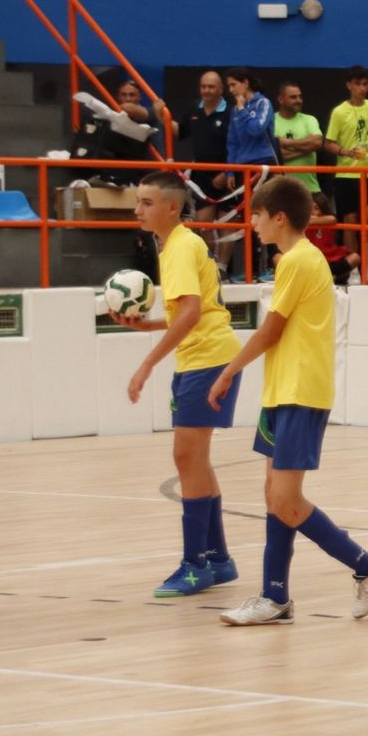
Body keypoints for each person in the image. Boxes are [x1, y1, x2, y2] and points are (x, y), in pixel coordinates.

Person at [207, 176, 368, 626]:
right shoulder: (297, 259)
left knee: (287, 501)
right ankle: (275, 597)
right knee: (275, 496)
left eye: (256, 215)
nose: (251, 224)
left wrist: (229, 371)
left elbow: (270, 330)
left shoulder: (298, 260)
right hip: (283, 391)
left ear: (279, 217)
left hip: (301, 392)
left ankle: (367, 565)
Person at [113, 171, 243, 596]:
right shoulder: (178, 244)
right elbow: (190, 311)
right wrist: (147, 325)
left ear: (172, 207)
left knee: (187, 458)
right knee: (195, 460)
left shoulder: (181, 247)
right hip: (204, 357)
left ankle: (194, 566)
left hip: (207, 359)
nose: (138, 209)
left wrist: (146, 365)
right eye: (137, 201)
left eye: (146, 202)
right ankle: (218, 560)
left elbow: (190, 313)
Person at [165, 70, 237, 272]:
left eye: (211, 87)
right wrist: (162, 115)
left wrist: (227, 172)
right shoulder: (194, 109)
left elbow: (239, 145)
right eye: (203, 86)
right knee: (203, 223)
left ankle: (222, 268)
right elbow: (181, 131)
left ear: (221, 89)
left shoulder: (232, 112)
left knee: (228, 223)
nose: (207, 90)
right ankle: (209, 267)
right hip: (201, 176)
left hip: (228, 175)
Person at [325, 66, 368, 261]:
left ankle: (367, 261)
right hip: (347, 173)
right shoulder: (339, 112)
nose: (362, 88)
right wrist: (346, 151)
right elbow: (328, 143)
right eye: (358, 84)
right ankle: (354, 265)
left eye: (365, 84)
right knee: (350, 221)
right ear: (349, 85)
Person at [273, 82, 324, 196]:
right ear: (281, 99)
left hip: (309, 189)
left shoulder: (309, 120)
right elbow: (276, 155)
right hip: (279, 191)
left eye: (300, 97)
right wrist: (307, 149)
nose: (299, 100)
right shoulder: (271, 121)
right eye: (293, 97)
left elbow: (317, 143)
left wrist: (286, 142)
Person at [224, 69, 278, 168]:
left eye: (233, 85)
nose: (230, 90)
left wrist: (242, 110)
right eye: (229, 86)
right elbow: (233, 142)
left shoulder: (263, 103)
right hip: (241, 164)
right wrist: (230, 170)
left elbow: (256, 130)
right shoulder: (235, 110)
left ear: (245, 83)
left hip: (263, 160)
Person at [302, 193, 360, 285]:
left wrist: (311, 220)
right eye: (310, 208)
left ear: (323, 210)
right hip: (312, 260)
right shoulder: (302, 222)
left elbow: (332, 219)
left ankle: (329, 277)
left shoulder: (327, 220)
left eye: (316, 208)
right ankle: (330, 277)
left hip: (329, 258)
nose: (312, 211)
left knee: (355, 258)